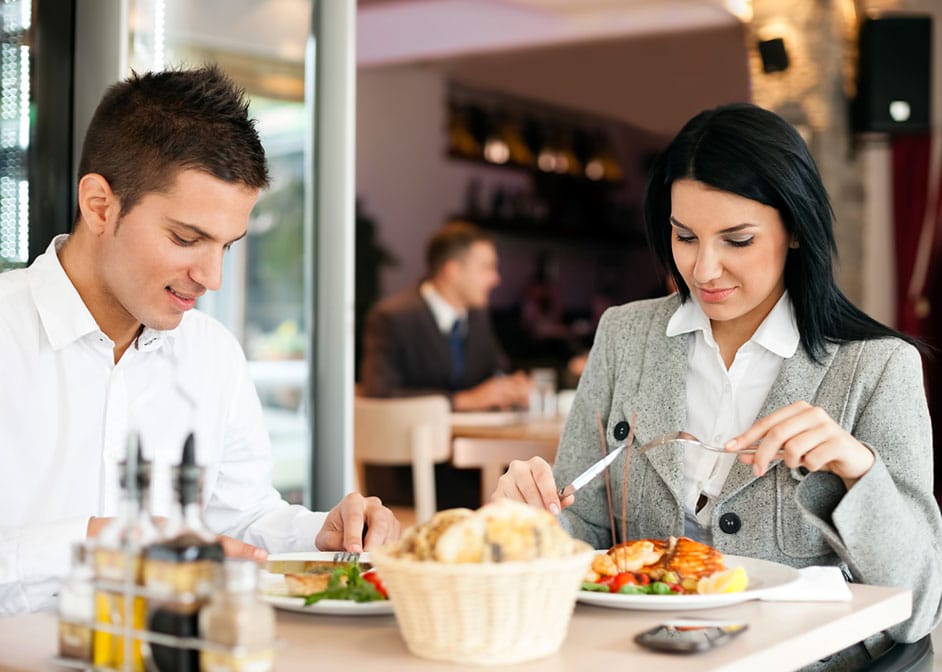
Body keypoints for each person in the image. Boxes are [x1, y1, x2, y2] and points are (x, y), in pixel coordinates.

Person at [492, 103, 942, 669]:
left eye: (738, 240)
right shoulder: (625, 335)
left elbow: (919, 607)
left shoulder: (877, 367)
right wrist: (533, 521)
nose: (704, 270)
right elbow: (581, 529)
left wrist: (858, 472)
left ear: (795, 228)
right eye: (685, 236)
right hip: (636, 658)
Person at [0, 65, 400, 615]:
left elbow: (241, 519)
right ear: (99, 206)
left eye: (227, 246)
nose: (212, 278)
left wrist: (318, 536)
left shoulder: (212, 353)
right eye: (186, 239)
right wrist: (98, 545)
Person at [359, 221, 530, 410]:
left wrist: (512, 387)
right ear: (453, 271)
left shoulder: (477, 317)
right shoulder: (392, 318)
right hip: (416, 428)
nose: (495, 279)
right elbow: (379, 393)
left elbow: (495, 372)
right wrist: (462, 401)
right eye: (486, 268)